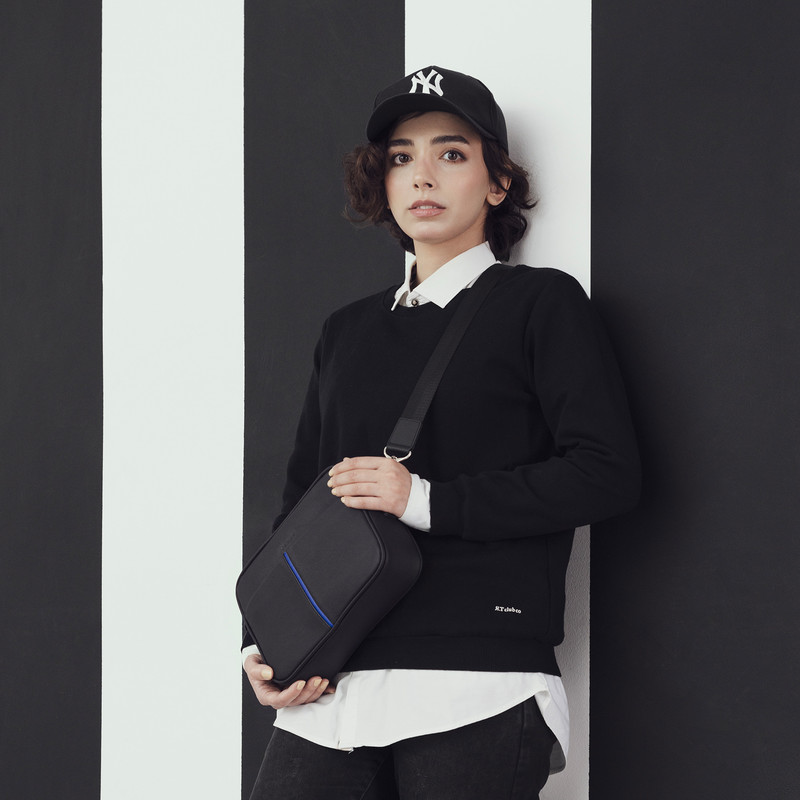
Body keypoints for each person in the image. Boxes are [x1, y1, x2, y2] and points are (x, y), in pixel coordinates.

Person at [242, 65, 640, 799]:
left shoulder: (540, 303)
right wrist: (267, 641)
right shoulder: (346, 331)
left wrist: (424, 500)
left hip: (475, 680)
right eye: (401, 157)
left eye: (451, 153)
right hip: (334, 685)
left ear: (498, 183)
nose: (421, 174)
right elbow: (302, 502)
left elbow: (606, 471)